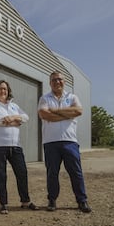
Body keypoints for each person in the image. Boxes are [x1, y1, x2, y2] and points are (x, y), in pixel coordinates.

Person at [38, 71, 92, 213]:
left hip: (70, 142)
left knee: (76, 172)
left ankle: (82, 201)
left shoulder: (72, 97)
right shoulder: (44, 98)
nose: (57, 82)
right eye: (54, 80)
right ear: (50, 83)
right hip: (51, 142)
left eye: (60, 79)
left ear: (64, 82)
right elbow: (43, 114)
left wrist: (55, 111)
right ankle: (52, 200)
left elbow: (79, 111)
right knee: (52, 173)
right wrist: (67, 114)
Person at [0, 80, 39, 214]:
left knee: (22, 173)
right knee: (1, 175)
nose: (3, 91)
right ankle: (3, 204)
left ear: (8, 91)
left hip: (15, 146)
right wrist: (16, 121)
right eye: (0, 89)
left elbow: (26, 117)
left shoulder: (14, 106)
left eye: (5, 89)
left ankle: (25, 201)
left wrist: (12, 117)